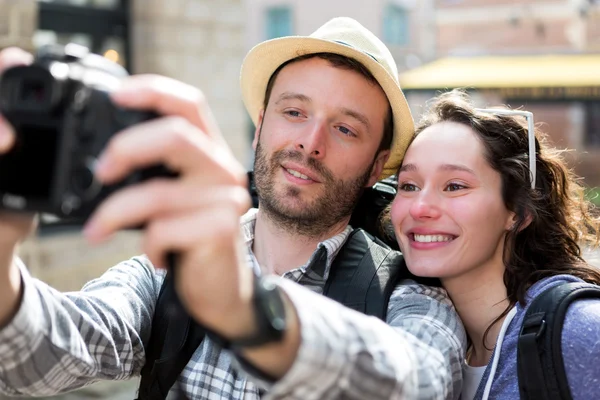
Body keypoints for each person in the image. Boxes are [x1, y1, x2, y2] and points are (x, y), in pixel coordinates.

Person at [0, 18, 466, 400]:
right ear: (261, 125)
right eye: (294, 112)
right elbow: (45, 355)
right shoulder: (163, 275)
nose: (310, 142)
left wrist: (247, 308)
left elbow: (417, 382)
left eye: (346, 129)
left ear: (375, 167)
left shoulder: (412, 296)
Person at [387, 89, 600, 400]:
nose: (419, 208)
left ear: (520, 212)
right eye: (408, 186)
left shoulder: (580, 330)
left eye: (455, 186)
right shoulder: (417, 337)